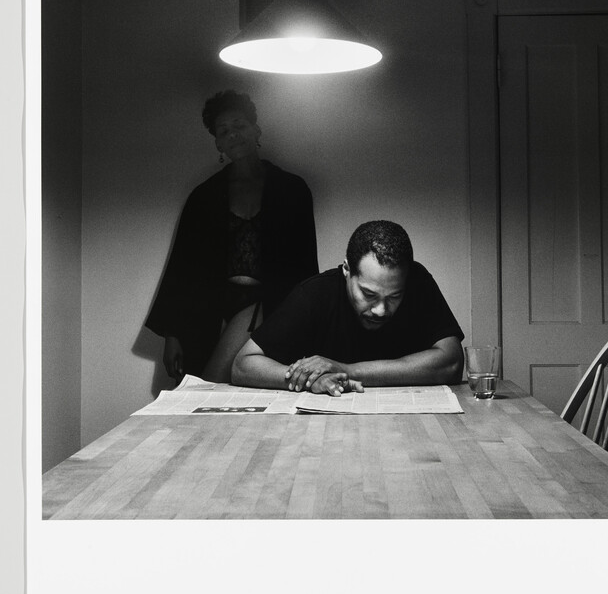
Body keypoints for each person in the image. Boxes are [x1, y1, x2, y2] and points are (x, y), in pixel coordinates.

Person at [145, 91, 319, 381]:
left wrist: (307, 325)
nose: (233, 135)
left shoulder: (292, 189)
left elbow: (304, 266)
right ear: (218, 143)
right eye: (223, 131)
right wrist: (171, 335)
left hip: (269, 303)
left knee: (212, 387)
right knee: (220, 391)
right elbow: (182, 268)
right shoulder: (204, 196)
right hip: (211, 307)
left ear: (256, 130)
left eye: (239, 125)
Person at [228, 220, 464, 395]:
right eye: (369, 294)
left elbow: (452, 361)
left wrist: (345, 369)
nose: (381, 309)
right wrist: (310, 380)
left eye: (395, 296)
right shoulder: (314, 294)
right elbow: (242, 365)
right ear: (347, 270)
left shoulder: (417, 281)